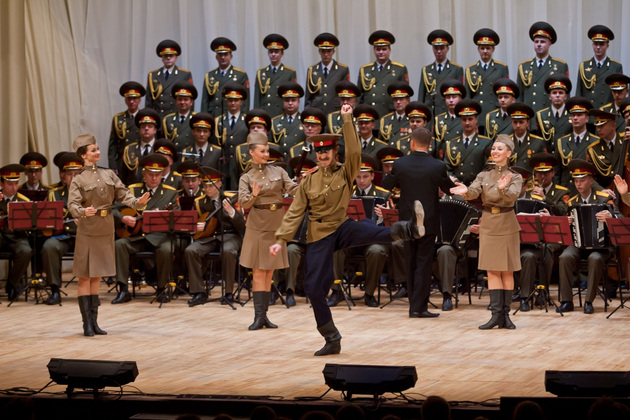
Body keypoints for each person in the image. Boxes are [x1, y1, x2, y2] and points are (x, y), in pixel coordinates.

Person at [269, 104, 423, 356]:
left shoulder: (345, 171)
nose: (322, 156)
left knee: (369, 230)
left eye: (327, 152)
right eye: (319, 153)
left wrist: (347, 118)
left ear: (334, 152)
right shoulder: (308, 180)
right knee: (312, 287)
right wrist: (281, 239)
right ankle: (331, 337)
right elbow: (295, 211)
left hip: (341, 225)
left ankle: (410, 229)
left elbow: (355, 150)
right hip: (319, 234)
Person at [67, 134, 150, 336]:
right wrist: (82, 211)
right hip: (88, 229)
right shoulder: (78, 179)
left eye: (97, 148)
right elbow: (72, 205)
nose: (98, 152)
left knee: (97, 276)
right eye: (93, 150)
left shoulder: (109, 174)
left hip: (105, 228)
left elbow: (123, 194)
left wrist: (137, 203)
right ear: (83, 155)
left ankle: (95, 322)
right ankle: (86, 324)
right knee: (85, 276)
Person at [450, 134, 523, 329]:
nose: (495, 152)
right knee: (492, 270)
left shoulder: (515, 176)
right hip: (489, 224)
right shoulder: (484, 174)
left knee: (506, 270)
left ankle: (506, 316)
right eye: (494, 149)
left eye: (500, 149)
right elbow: (474, 191)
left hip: (507, 224)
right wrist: (465, 191)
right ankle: (496, 315)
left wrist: (502, 189)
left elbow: (512, 197)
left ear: (509, 153)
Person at [382, 128, 456, 317]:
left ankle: (413, 307)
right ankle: (419, 307)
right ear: (429, 144)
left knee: (410, 262)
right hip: (428, 220)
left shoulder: (400, 163)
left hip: (407, 220)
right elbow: (449, 189)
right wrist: (451, 183)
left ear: (412, 143)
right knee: (423, 263)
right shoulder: (437, 166)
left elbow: (386, 184)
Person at [239, 132, 298, 329]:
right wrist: (254, 195)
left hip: (275, 223)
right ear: (251, 152)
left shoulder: (278, 171)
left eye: (267, 151)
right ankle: (258, 316)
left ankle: (264, 316)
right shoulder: (246, 177)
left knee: (269, 271)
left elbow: (293, 189)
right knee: (258, 271)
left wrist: (306, 183)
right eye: (262, 151)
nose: (266, 154)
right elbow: (244, 203)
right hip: (257, 224)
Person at [113, 154, 179, 304]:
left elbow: (177, 216)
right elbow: (113, 209)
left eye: (157, 174)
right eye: (150, 174)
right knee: (119, 245)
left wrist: (163, 216)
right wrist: (123, 218)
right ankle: (123, 289)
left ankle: (161, 288)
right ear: (144, 173)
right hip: (138, 237)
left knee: (166, 250)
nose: (154, 178)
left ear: (162, 174)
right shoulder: (133, 190)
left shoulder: (170, 192)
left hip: (160, 237)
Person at [557, 159, 619, 314]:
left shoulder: (604, 199)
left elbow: (621, 219)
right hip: (579, 244)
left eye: (582, 180)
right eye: (576, 181)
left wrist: (610, 217)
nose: (578, 184)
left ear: (591, 181)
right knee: (564, 257)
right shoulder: (572, 202)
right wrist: (567, 222)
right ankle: (566, 301)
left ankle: (589, 301)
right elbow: (566, 230)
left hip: (601, 245)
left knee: (595, 258)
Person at [185, 167, 245, 306]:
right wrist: (195, 228)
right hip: (209, 237)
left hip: (230, 235)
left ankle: (229, 292)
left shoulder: (232, 198)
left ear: (219, 184)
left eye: (211, 186)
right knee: (191, 250)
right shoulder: (199, 202)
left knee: (228, 251)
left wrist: (231, 212)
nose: (207, 189)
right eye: (205, 186)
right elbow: (190, 225)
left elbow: (242, 226)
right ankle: (199, 292)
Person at [41, 153, 84, 305]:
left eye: (77, 174)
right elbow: (46, 220)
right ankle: (54, 289)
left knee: (93, 245)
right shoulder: (54, 194)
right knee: (49, 246)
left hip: (84, 237)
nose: (73, 178)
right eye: (70, 174)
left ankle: (90, 293)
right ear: (63, 177)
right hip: (62, 237)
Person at [517, 22, 569, 114]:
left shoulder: (560, 66)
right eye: (536, 42)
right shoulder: (524, 66)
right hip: (530, 115)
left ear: (549, 44)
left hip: (550, 115)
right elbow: (519, 96)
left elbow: (565, 95)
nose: (539, 44)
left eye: (542, 42)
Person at [465, 28, 509, 135]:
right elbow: (467, 97)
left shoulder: (501, 68)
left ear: (493, 49)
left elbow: (506, 93)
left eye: (488, 48)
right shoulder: (470, 70)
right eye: (482, 48)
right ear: (478, 49)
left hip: (495, 112)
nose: (485, 51)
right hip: (478, 115)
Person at [357, 30, 409, 119]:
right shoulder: (365, 70)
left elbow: (405, 96)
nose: (381, 52)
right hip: (369, 116)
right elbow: (359, 96)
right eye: (378, 49)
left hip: (389, 114)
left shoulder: (399, 69)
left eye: (384, 49)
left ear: (389, 50)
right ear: (374, 51)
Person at [0, 164, 32, 302]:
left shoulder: (24, 201)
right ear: (1, 183)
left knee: (26, 251)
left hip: (17, 237)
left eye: (16, 183)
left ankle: (13, 285)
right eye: (9, 184)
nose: (14, 187)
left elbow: (31, 227)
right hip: (1, 237)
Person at [444, 99, 493, 186]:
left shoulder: (486, 143)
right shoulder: (452, 144)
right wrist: (458, 184)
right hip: (457, 187)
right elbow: (447, 168)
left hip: (477, 187)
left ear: (476, 120)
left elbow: (488, 169)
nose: (467, 123)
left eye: (470, 119)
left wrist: (474, 187)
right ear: (460, 120)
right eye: (464, 119)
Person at [417, 29, 463, 119]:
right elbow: (421, 96)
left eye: (442, 48)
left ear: (447, 49)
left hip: (447, 112)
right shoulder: (426, 70)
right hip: (430, 113)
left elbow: (460, 96)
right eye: (436, 48)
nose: (438, 51)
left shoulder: (456, 69)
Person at [576, 25, 623, 109]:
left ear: (607, 46)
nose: (598, 47)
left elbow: (619, 93)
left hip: (607, 112)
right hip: (589, 112)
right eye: (595, 44)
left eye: (601, 44)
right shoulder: (584, 66)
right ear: (592, 45)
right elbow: (579, 93)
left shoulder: (615, 67)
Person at [201, 37, 249, 118]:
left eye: (226, 54)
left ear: (231, 56)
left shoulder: (241, 75)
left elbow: (245, 101)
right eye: (220, 55)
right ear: (216, 57)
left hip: (232, 117)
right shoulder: (209, 76)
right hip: (213, 116)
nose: (223, 57)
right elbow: (205, 101)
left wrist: (243, 119)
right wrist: (204, 119)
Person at [304, 32, 350, 116]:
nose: (326, 54)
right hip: (316, 113)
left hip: (335, 112)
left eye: (329, 51)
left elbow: (346, 95)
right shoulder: (312, 70)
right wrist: (307, 113)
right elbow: (308, 97)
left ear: (333, 51)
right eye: (323, 51)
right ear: (319, 51)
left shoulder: (342, 70)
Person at [145, 39, 193, 118]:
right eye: (165, 56)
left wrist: (189, 118)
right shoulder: (153, 75)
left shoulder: (184, 74)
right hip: (158, 117)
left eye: (171, 55)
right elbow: (149, 101)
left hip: (176, 117)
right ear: (162, 57)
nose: (168, 58)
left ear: (176, 57)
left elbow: (190, 99)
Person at [253, 34, 297, 118]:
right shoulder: (261, 73)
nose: (273, 54)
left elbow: (292, 97)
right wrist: (257, 115)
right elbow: (257, 99)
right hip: (265, 114)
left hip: (281, 114)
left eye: (276, 52)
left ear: (282, 54)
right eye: (271, 52)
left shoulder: (289, 73)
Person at [108, 81, 145, 173]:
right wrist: (113, 165)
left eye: (135, 98)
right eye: (129, 98)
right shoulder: (118, 119)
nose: (132, 101)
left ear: (139, 100)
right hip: (122, 161)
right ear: (125, 100)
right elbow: (113, 144)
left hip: (140, 160)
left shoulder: (145, 118)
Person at [120, 108, 161, 185]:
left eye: (150, 126)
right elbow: (123, 176)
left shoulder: (160, 149)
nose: (146, 129)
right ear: (139, 129)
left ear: (155, 130)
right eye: (143, 126)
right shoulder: (129, 149)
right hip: (133, 190)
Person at [506, 102, 548, 168]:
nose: (518, 125)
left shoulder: (538, 142)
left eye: (521, 122)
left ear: (528, 123)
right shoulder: (506, 142)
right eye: (515, 122)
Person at [535, 74, 572, 144]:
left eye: (561, 93)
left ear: (565, 96)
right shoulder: (541, 115)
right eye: (554, 93)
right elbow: (539, 141)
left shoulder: (572, 114)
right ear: (550, 96)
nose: (557, 95)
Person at [162, 80, 197, 153]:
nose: (182, 102)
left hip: (190, 156)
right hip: (174, 156)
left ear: (191, 102)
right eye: (179, 99)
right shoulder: (168, 120)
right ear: (175, 101)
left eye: (186, 99)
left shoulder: (196, 119)